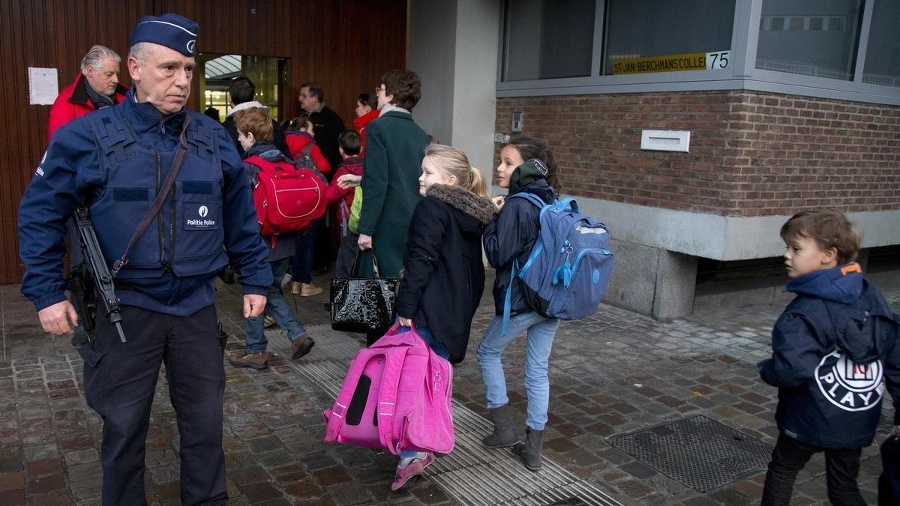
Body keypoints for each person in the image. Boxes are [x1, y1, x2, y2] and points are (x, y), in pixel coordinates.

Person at [17, 13, 272, 505]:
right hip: (124, 309)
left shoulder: (211, 136)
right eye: (168, 68)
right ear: (134, 67)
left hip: (195, 307)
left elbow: (240, 214)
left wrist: (257, 278)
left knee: (205, 425)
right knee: (123, 429)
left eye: (190, 70)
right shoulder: (87, 136)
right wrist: (46, 292)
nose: (182, 81)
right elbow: (40, 213)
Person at [758, 209, 900, 505]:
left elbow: (792, 368)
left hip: (807, 417)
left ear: (828, 255)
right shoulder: (871, 294)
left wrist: (768, 370)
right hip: (857, 418)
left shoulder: (803, 311)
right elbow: (895, 353)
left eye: (796, 248)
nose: (787, 255)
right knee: (844, 486)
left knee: (783, 470)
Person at [389, 144, 494, 491]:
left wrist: (406, 306)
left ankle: (413, 453)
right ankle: (427, 439)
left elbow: (422, 259)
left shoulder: (433, 205)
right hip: (454, 310)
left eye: (428, 172)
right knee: (433, 381)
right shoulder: (471, 214)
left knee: (414, 382)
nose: (421, 178)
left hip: (429, 309)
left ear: (449, 180)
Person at [477, 136, 562, 472]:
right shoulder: (548, 198)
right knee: (537, 371)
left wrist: (490, 218)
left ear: (526, 167)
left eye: (508, 163)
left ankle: (504, 429)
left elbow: (498, 254)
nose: (500, 168)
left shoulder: (517, 204)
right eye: (500, 160)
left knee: (487, 351)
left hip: (523, 301)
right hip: (550, 301)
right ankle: (533, 450)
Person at [229, 107, 316, 369]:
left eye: (241, 136)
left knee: (256, 290)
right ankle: (291, 338)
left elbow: (239, 210)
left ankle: (260, 349)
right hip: (287, 242)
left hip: (259, 244)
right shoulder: (288, 162)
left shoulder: (248, 168)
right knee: (270, 291)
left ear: (251, 136)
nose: (239, 140)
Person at [283, 113, 329, 297]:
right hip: (310, 198)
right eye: (311, 129)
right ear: (304, 129)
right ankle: (306, 284)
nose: (313, 133)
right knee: (309, 240)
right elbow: (324, 166)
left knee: (296, 241)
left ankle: (294, 282)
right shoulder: (311, 145)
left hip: (291, 197)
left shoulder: (283, 142)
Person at [47, 44, 129, 139]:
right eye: (109, 74)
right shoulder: (66, 103)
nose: (116, 80)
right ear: (90, 71)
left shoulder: (127, 96)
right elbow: (60, 147)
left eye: (116, 74)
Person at [325, 130, 364, 279]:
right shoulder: (368, 166)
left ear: (341, 150)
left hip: (349, 219)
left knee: (346, 258)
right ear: (360, 149)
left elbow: (331, 196)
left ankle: (344, 298)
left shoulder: (344, 171)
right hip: (366, 218)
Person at [222, 76, 289, 157]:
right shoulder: (273, 124)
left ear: (229, 98)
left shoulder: (225, 129)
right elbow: (286, 157)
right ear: (254, 97)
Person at [298, 82, 346, 170]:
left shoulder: (332, 119)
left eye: (304, 96)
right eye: (300, 95)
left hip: (326, 171)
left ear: (315, 98)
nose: (299, 98)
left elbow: (341, 146)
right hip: (305, 170)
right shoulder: (301, 117)